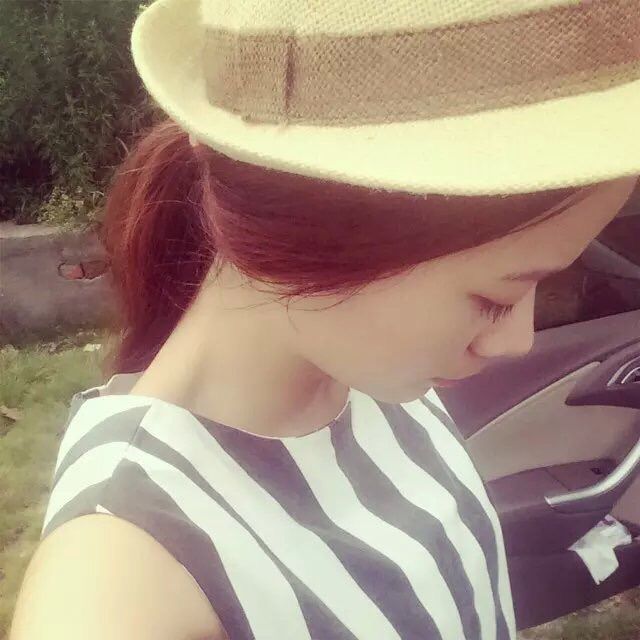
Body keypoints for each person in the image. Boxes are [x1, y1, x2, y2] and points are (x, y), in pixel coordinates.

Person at [10, 0, 640, 639]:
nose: (516, 341)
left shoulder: (366, 377)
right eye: (495, 297)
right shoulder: (125, 587)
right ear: (315, 231)